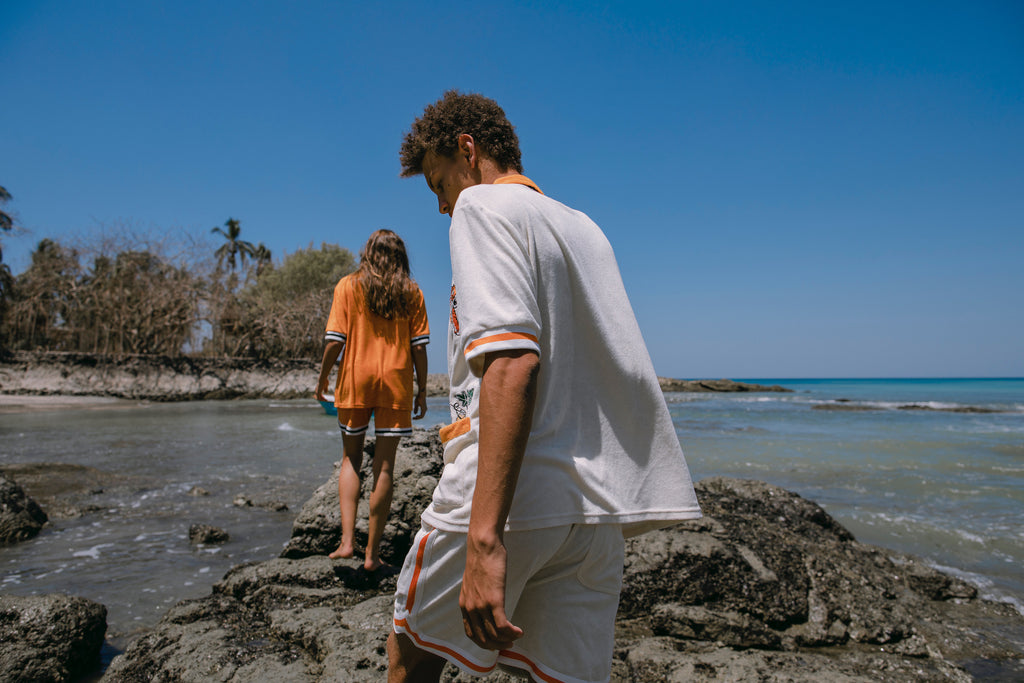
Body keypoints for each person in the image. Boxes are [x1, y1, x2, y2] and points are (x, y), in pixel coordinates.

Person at [386, 90, 702, 683]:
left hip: (510, 498)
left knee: (410, 653)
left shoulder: (482, 208)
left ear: (468, 149)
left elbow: (512, 363)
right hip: (592, 510)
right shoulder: (583, 228)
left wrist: (484, 540)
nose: (441, 205)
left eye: (437, 183)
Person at [315, 229, 429, 572]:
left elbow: (335, 341)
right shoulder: (412, 292)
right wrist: (422, 388)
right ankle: (372, 556)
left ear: (367, 253)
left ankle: (347, 542)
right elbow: (419, 347)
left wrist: (322, 379)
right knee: (384, 466)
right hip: (395, 382)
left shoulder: (348, 286)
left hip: (355, 378)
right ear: (401, 257)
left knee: (351, 459)